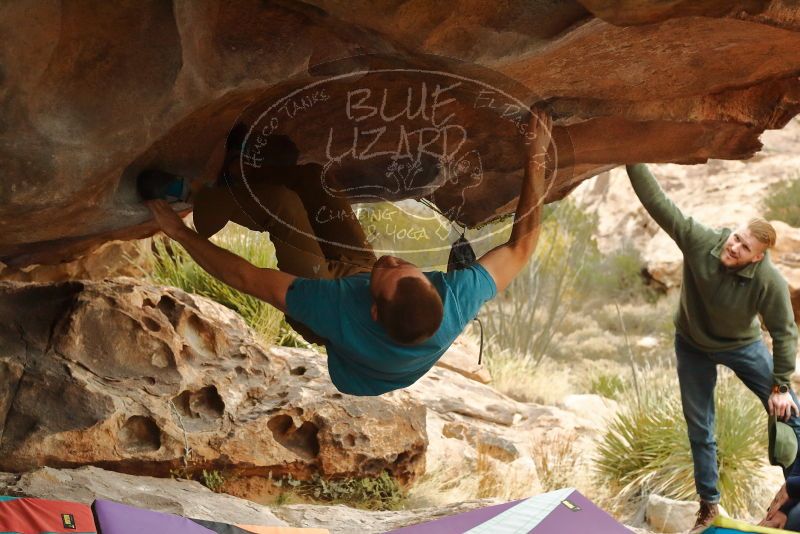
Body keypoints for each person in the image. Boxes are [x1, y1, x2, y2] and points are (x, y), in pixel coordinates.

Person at [144, 109, 554, 396]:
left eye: (389, 271)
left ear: (373, 309)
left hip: (331, 324)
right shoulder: (458, 298)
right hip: (362, 284)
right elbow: (521, 247)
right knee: (317, 182)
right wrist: (535, 158)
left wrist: (180, 233)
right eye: (406, 268)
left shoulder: (335, 310)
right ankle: (246, 169)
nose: (391, 259)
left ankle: (200, 196)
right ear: (437, 292)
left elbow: (246, 277)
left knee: (285, 208)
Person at [626, 163, 800, 533]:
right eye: (735, 237)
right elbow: (659, 203)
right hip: (691, 344)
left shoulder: (767, 281)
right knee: (700, 425)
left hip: (742, 345)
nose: (733, 246)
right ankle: (708, 505)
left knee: (791, 413)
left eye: (744, 247)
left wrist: (781, 386)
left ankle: (795, 493)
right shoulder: (701, 240)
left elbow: (785, 333)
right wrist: (631, 157)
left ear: (758, 257)